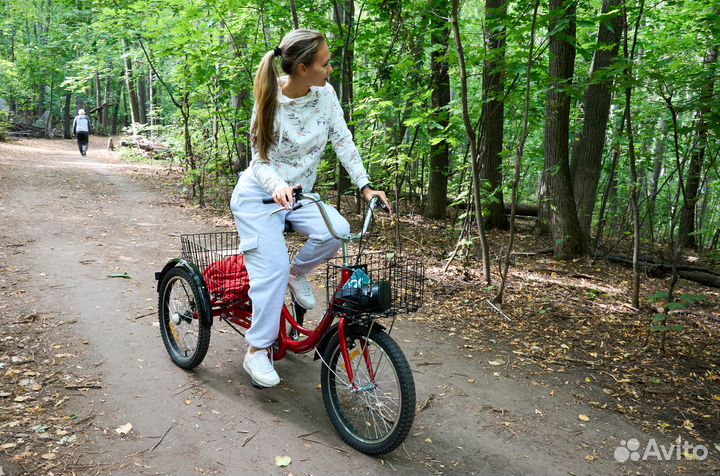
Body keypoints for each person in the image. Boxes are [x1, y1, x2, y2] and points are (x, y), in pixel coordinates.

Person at [230, 29, 392, 388]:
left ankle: (297, 272)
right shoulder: (270, 102)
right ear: (302, 68)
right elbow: (259, 162)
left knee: (336, 230)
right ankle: (257, 350)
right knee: (269, 271)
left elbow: (343, 140)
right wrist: (278, 187)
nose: (330, 69)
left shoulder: (325, 95)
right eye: (325, 63)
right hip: (259, 199)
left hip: (299, 196)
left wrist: (365, 186)